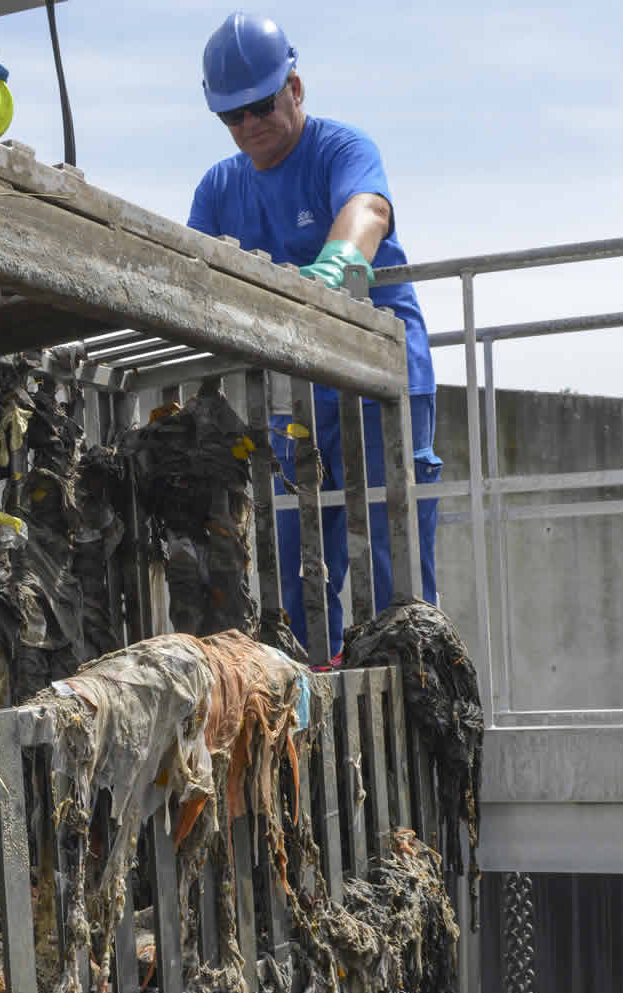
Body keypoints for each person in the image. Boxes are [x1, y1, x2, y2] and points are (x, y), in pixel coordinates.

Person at [187, 11, 440, 658]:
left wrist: (339, 262)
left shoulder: (339, 148)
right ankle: (317, 702)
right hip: (298, 396)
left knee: (396, 562)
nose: (249, 126)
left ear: (294, 90)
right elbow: (194, 269)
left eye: (261, 106)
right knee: (298, 568)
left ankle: (409, 692)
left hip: (380, 374)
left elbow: (368, 209)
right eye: (232, 116)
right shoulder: (219, 188)